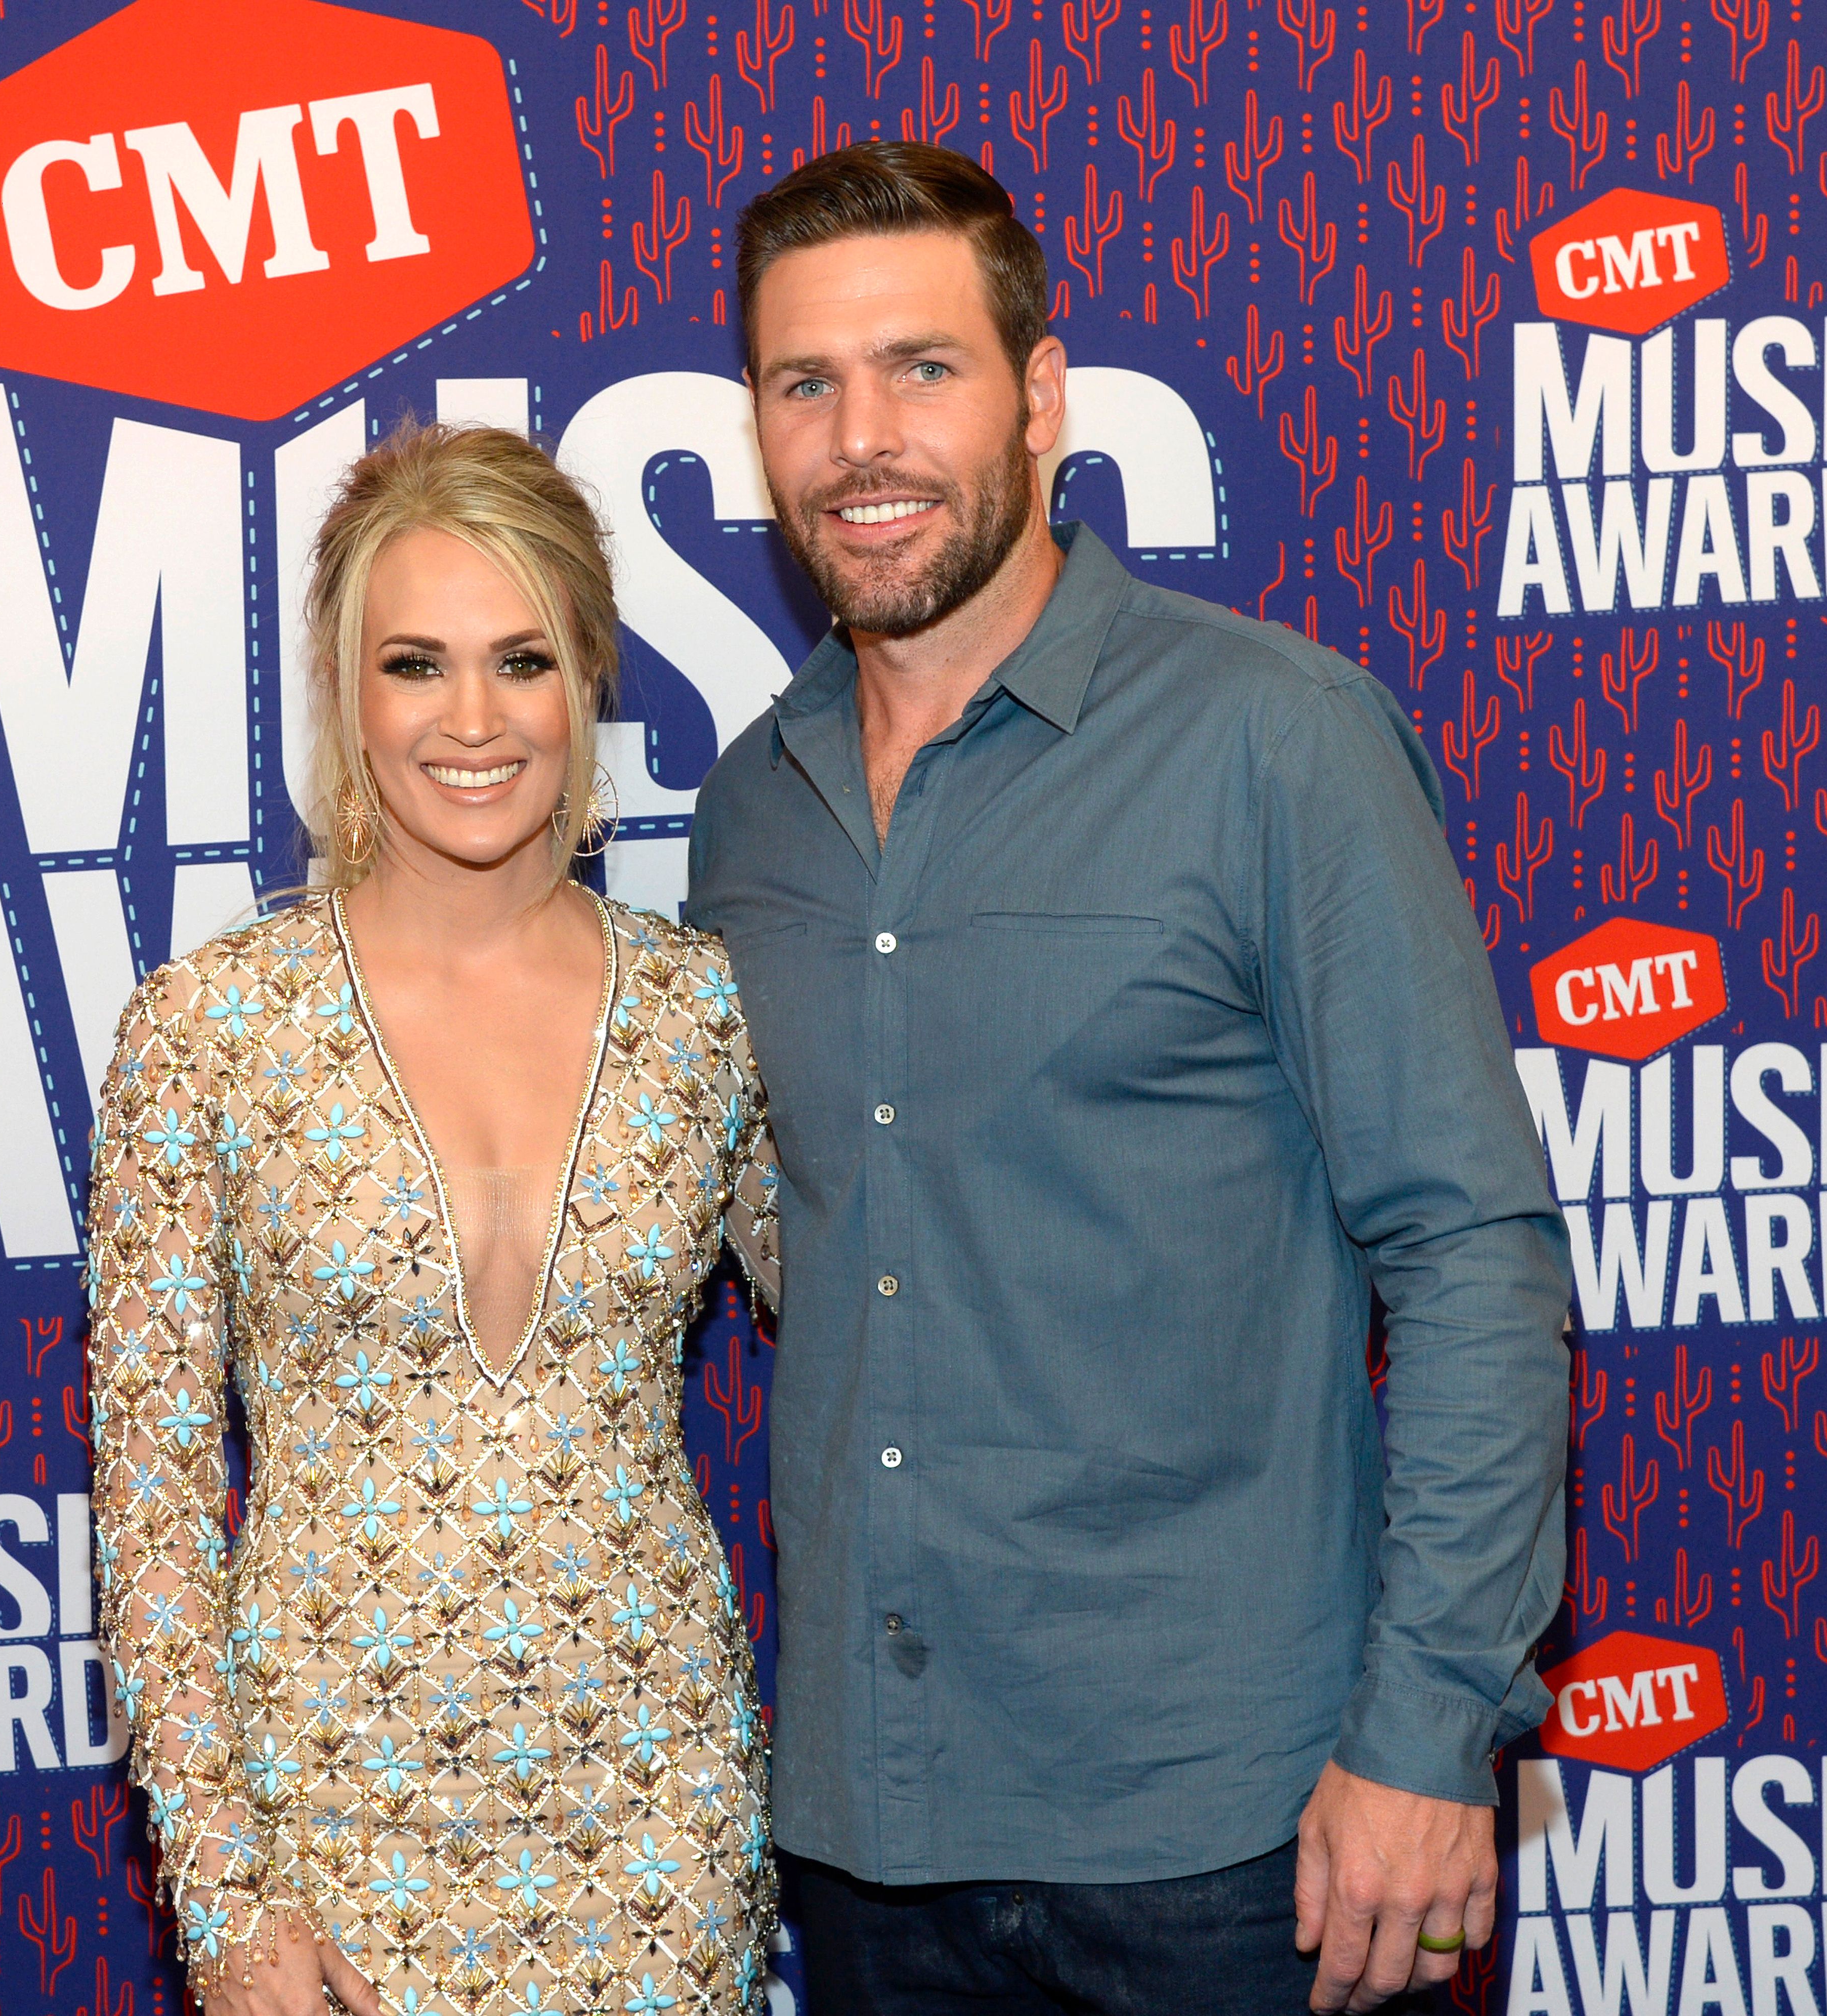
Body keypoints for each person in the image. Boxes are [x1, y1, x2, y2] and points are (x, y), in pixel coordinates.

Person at [685, 143, 1572, 2016]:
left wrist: (1430, 1736)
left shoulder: (1276, 740)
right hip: (871, 1842)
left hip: (1246, 1847)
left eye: (923, 367)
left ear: (1042, 399)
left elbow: (1476, 1257)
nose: (866, 437)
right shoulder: (747, 816)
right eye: (805, 382)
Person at [86, 423, 784, 2016]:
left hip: (654, 1819)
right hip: (325, 1827)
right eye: (416, 663)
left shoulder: (702, 1015)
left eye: (522, 660)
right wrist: (226, 1892)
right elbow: (149, 1508)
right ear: (345, 692)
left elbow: (889, 1316)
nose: (472, 721)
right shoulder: (209, 1032)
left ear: (588, 680)